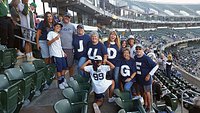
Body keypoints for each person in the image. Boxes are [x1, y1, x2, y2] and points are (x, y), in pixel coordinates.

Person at [134, 44, 159, 112]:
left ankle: (150, 107)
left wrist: (149, 75)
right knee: (143, 92)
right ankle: (146, 104)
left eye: (140, 49)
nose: (138, 50)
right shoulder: (135, 57)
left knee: (147, 93)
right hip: (139, 78)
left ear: (142, 50)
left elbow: (156, 66)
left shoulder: (146, 58)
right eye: (137, 49)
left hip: (146, 79)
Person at [47, 22, 68, 90]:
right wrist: (55, 39)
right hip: (55, 54)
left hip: (61, 54)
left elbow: (59, 46)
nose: (58, 28)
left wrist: (63, 52)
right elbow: (48, 43)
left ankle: (63, 79)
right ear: (54, 27)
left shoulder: (58, 34)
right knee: (59, 69)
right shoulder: (51, 33)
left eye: (59, 27)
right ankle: (60, 82)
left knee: (64, 67)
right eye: (57, 26)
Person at [60, 12, 76, 79]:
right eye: (66, 16)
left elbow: (75, 36)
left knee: (70, 64)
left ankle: (71, 77)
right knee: (62, 65)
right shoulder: (59, 24)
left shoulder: (72, 26)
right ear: (63, 17)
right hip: (60, 48)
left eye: (68, 17)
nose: (67, 18)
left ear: (70, 18)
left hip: (70, 48)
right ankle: (62, 79)